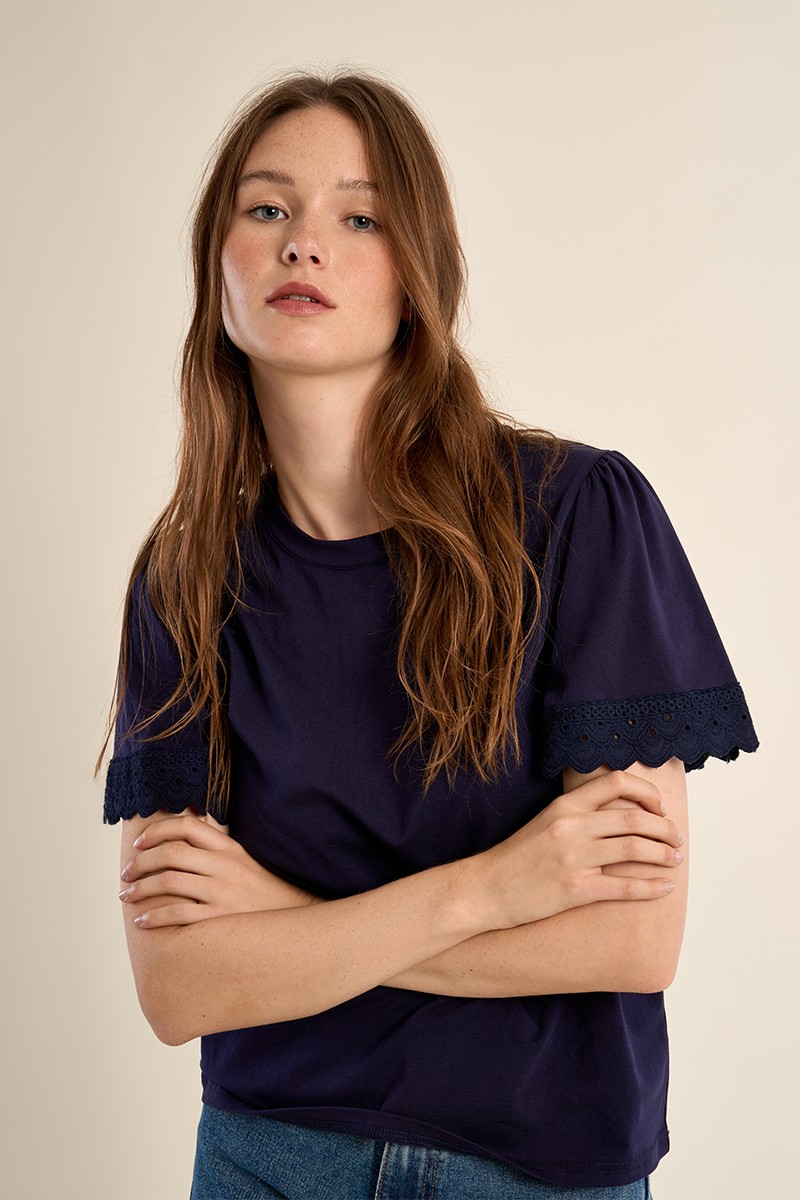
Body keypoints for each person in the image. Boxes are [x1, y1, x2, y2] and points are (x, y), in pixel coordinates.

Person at [99, 71, 758, 1199]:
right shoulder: (184, 579)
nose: (304, 243)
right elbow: (181, 987)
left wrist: (283, 924)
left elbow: (629, 941)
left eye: (358, 217)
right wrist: (497, 889)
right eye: (267, 208)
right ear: (217, 263)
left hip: (536, 1171)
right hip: (269, 1158)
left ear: (419, 273)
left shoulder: (576, 516)